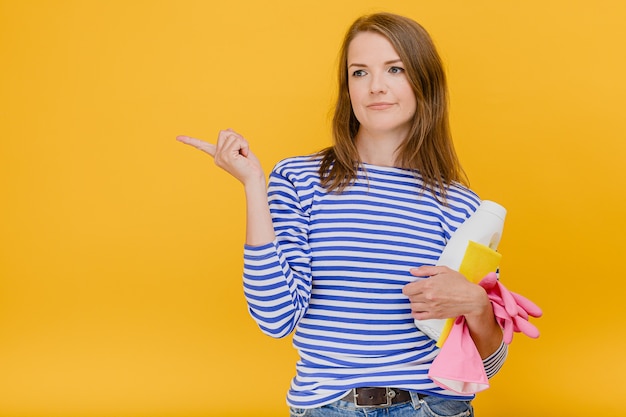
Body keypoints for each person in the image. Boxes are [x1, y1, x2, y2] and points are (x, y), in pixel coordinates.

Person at [177, 12, 507, 417]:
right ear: (347, 88)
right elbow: (276, 318)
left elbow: (487, 365)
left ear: (424, 83)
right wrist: (252, 186)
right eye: (359, 73)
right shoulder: (298, 180)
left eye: (395, 69)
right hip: (327, 407)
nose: (376, 87)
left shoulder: (462, 206)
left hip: (432, 407)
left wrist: (477, 304)